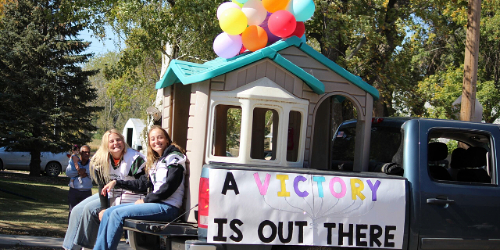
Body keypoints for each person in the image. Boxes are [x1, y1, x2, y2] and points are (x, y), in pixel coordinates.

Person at [93, 125, 187, 250]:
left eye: (160, 138)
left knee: (116, 214)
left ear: (167, 140)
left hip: (168, 207)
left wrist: (146, 200)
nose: (156, 141)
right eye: (153, 139)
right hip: (157, 205)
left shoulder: (174, 158)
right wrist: (117, 182)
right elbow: (141, 184)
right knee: (109, 212)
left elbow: (170, 186)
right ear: (149, 143)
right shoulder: (157, 161)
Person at [63, 129, 146, 250]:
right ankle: (69, 248)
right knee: (77, 209)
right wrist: (103, 207)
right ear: (106, 145)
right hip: (111, 193)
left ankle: (87, 247)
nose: (116, 143)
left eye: (118, 140)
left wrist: (118, 185)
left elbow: (142, 185)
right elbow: (102, 186)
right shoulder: (101, 158)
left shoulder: (134, 158)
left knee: (90, 210)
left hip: (130, 195)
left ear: (123, 141)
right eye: (111, 141)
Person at [65, 145, 92, 219]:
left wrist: (86, 171)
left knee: (85, 213)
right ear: (80, 153)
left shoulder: (92, 164)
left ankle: (83, 230)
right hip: (74, 191)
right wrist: (79, 172)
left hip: (86, 192)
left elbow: (94, 175)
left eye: (88, 152)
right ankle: (71, 229)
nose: (87, 154)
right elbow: (68, 173)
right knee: (72, 211)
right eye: (84, 152)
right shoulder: (74, 162)